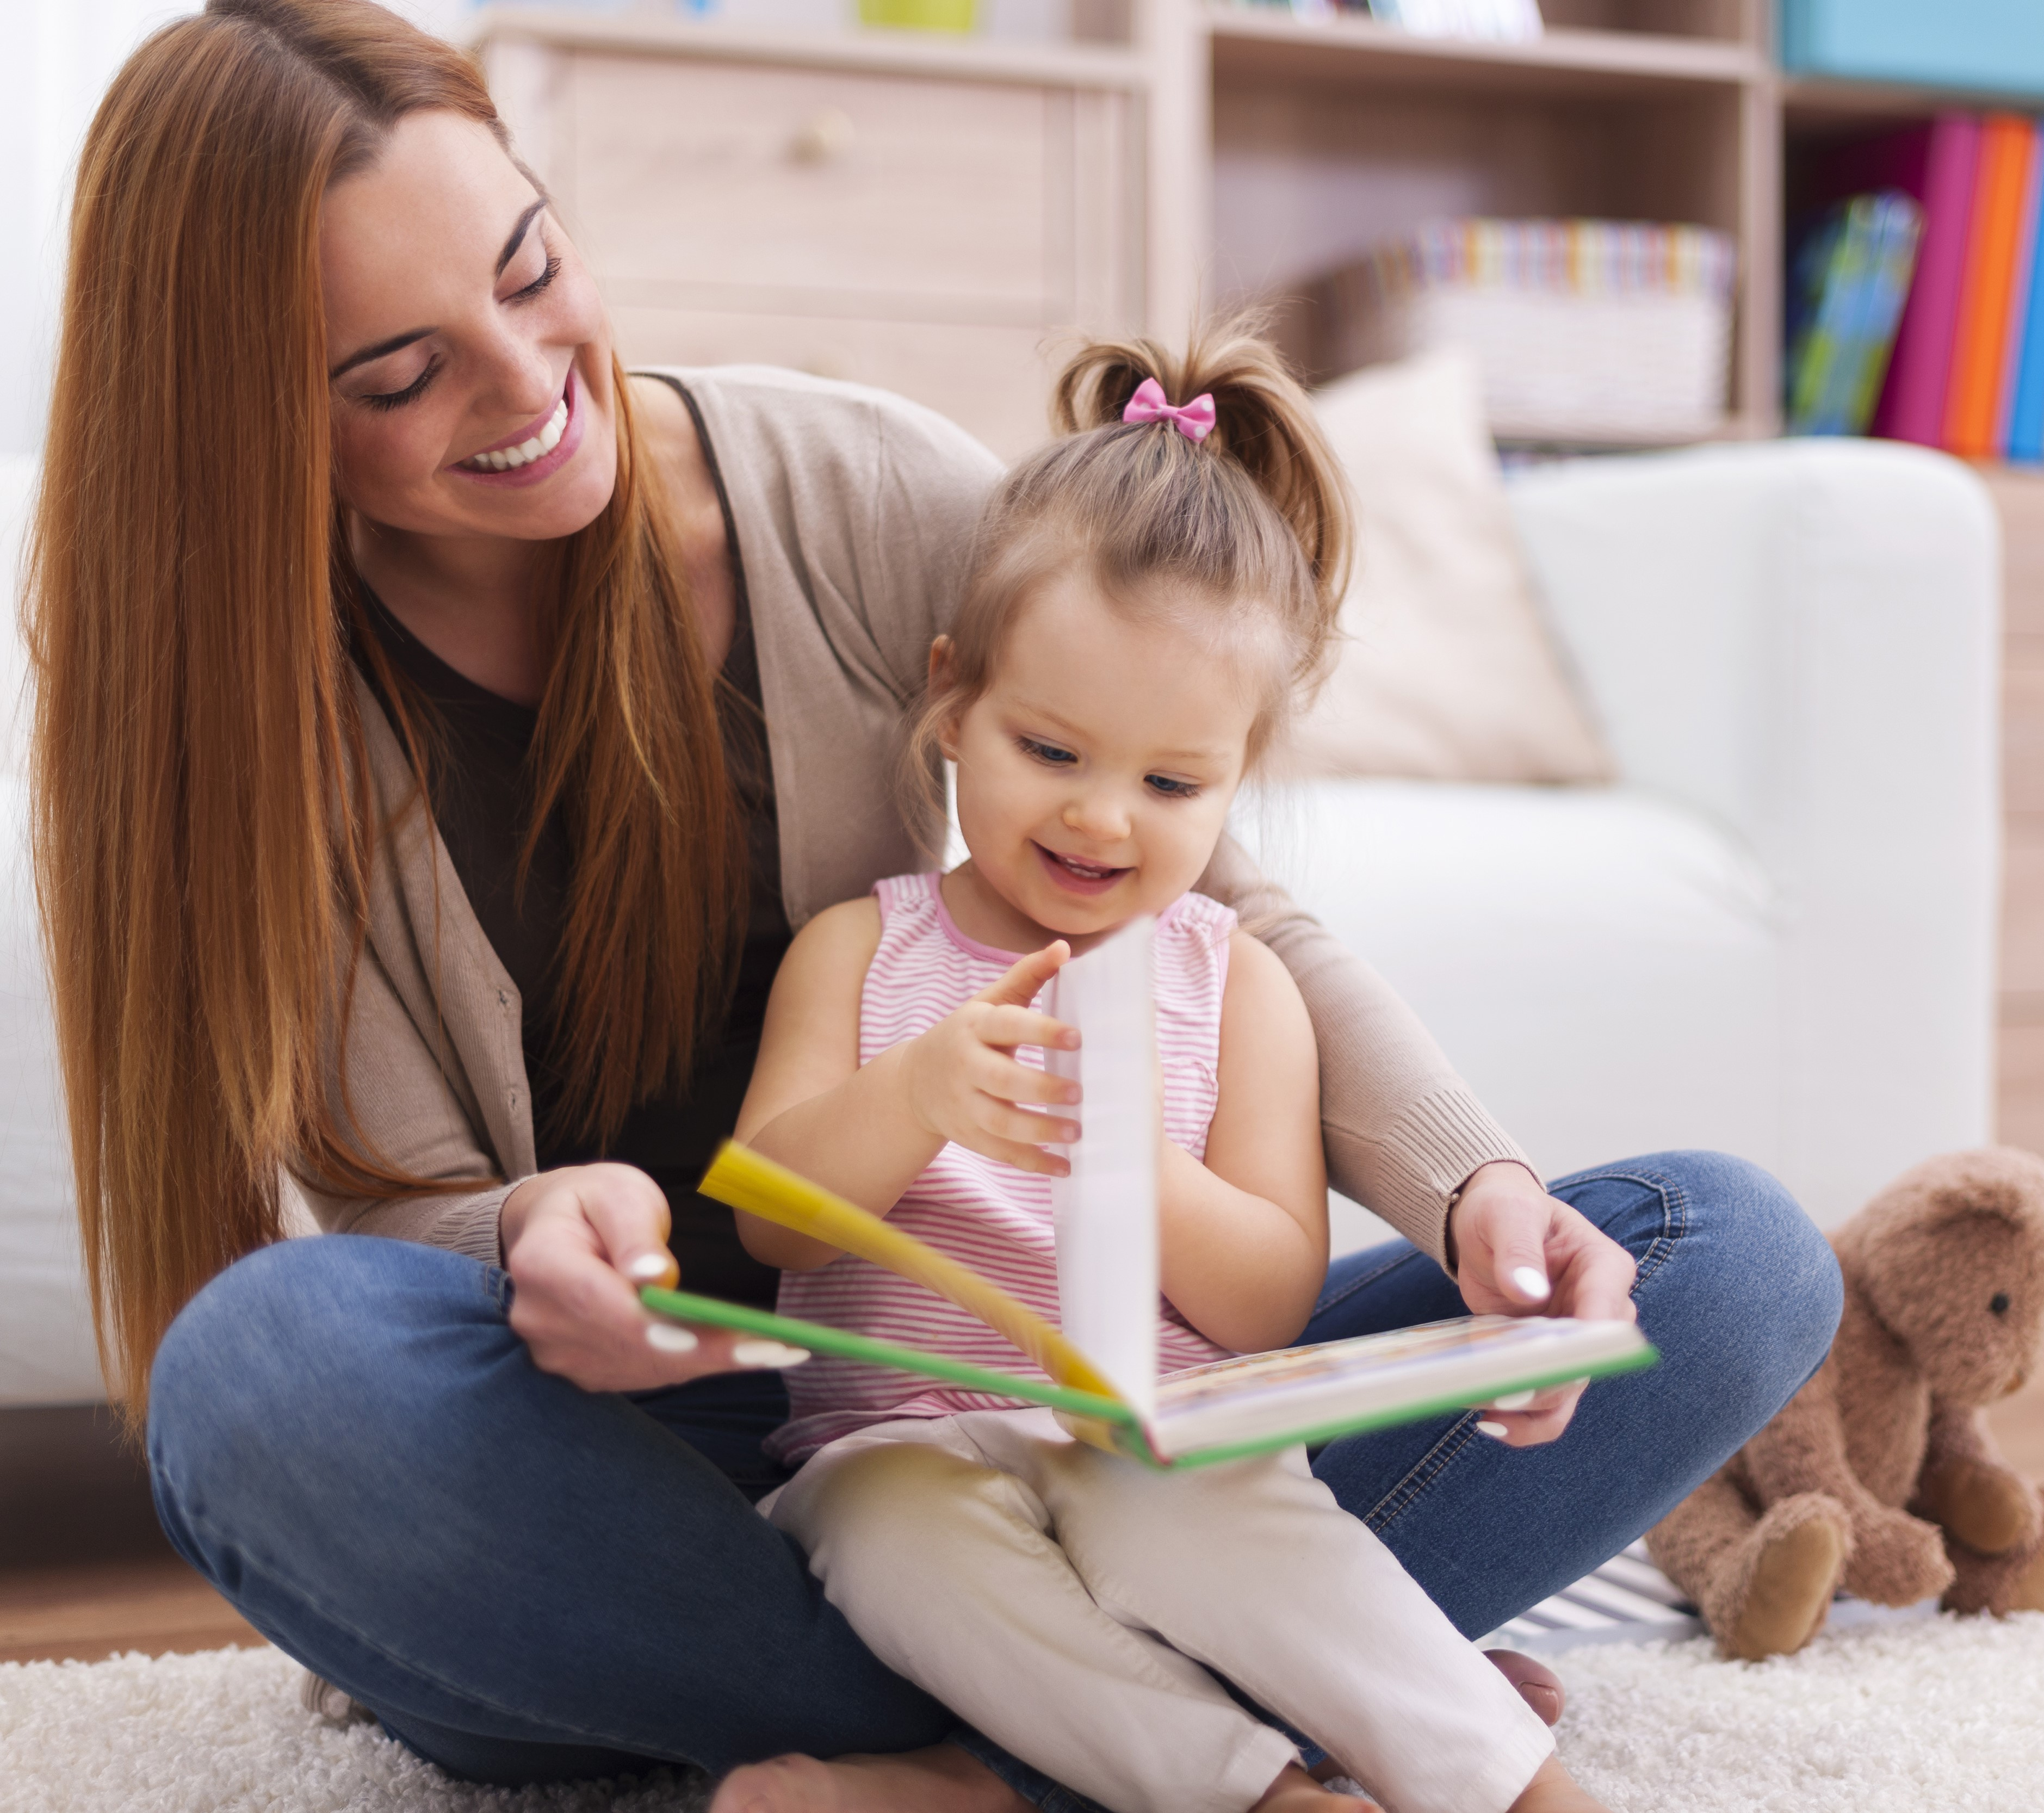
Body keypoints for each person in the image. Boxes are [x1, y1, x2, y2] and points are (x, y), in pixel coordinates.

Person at [24, 3, 1841, 1809]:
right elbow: (386, 1210)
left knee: (1725, 1255)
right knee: (258, 1377)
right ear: (252, 421)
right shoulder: (265, 731)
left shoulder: (860, 494)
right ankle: (1244, 1702)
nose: (524, 384)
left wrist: (1482, 1197)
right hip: (668, 1463)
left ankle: (991, 1760)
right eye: (402, 374)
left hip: (1095, 1408)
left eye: (531, 268)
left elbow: (1230, 916)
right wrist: (521, 1239)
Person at [733, 326, 1608, 1813]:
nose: (1102, 820)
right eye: (1049, 748)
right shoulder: (857, 949)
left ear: (1237, 779)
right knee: (898, 1552)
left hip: (1163, 1440)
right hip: (898, 1443)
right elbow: (766, 1214)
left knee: (1249, 1541)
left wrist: (1142, 1168)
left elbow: (1268, 1297)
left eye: (1171, 782)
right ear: (951, 701)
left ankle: (1509, 1781)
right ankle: (1258, 1792)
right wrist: (918, 1097)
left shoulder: (1240, 985)